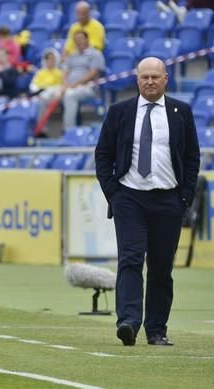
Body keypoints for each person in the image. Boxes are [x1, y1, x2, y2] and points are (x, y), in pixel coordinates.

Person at [95, 57, 200, 347]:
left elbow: (192, 157)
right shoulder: (119, 112)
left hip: (169, 199)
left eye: (156, 76)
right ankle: (128, 322)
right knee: (130, 259)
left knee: (161, 266)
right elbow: (103, 154)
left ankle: (157, 329)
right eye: (145, 77)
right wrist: (113, 193)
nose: (150, 81)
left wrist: (185, 197)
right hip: (129, 197)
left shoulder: (181, 111)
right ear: (137, 80)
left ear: (166, 79)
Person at [61, 31, 105, 131]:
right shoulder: (72, 55)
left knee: (69, 95)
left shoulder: (95, 54)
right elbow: (65, 71)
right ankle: (40, 132)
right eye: (76, 40)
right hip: (68, 87)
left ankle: (69, 131)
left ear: (87, 39)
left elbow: (93, 73)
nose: (78, 42)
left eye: (80, 39)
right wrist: (63, 85)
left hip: (87, 88)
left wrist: (74, 85)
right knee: (45, 95)